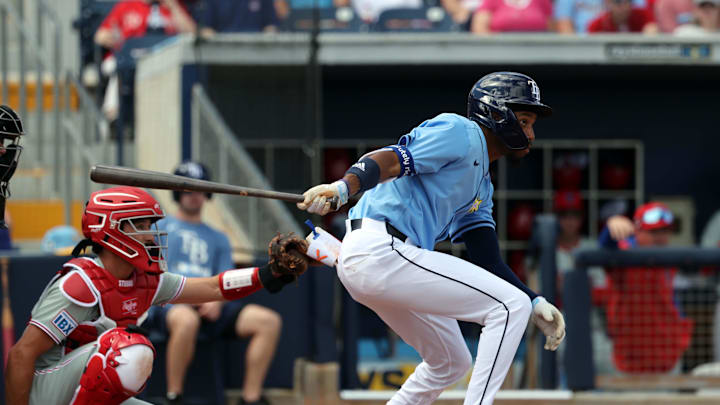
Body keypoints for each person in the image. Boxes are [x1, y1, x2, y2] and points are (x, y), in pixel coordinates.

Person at [296, 72, 566, 405]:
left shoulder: (482, 185)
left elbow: (488, 258)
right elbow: (391, 159)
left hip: (385, 260)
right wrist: (344, 187)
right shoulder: (461, 132)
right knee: (510, 308)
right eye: (524, 121)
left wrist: (535, 300)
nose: (531, 134)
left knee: (452, 361)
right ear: (496, 113)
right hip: (381, 249)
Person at [5, 185, 309, 405]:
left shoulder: (147, 280)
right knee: (127, 349)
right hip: (46, 391)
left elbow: (213, 287)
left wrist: (269, 273)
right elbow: (21, 355)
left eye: (151, 224)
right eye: (142, 225)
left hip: (91, 392)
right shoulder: (81, 284)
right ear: (112, 229)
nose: (152, 235)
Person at [145, 162, 281, 405]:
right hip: (173, 302)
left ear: (207, 193)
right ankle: (174, 396)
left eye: (198, 189)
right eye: (187, 188)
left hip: (212, 302)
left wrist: (216, 301)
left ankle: (250, 398)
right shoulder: (159, 228)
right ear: (177, 191)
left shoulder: (219, 237)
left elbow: (226, 277)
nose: (193, 195)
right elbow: (153, 274)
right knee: (186, 320)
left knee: (268, 322)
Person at [599, 202, 693, 373]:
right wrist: (612, 226)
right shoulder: (624, 254)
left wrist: (681, 331)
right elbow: (606, 247)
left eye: (665, 231)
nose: (660, 237)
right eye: (654, 232)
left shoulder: (668, 258)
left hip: (668, 359)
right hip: (629, 360)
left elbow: (670, 300)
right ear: (638, 231)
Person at [94, 0, 196, 121]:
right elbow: (100, 36)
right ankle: (112, 117)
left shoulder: (171, 6)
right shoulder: (127, 5)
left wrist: (174, 7)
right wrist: (120, 42)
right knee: (119, 68)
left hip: (163, 63)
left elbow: (192, 34)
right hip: (127, 59)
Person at [471, 0, 553, 33]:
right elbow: (479, 29)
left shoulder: (541, 1)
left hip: (537, 53)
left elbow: (551, 27)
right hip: (499, 52)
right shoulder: (491, 1)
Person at [586, 0, 658, 32]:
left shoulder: (643, 15)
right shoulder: (597, 25)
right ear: (607, 2)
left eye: (629, 1)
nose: (624, 6)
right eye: (618, 1)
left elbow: (653, 28)